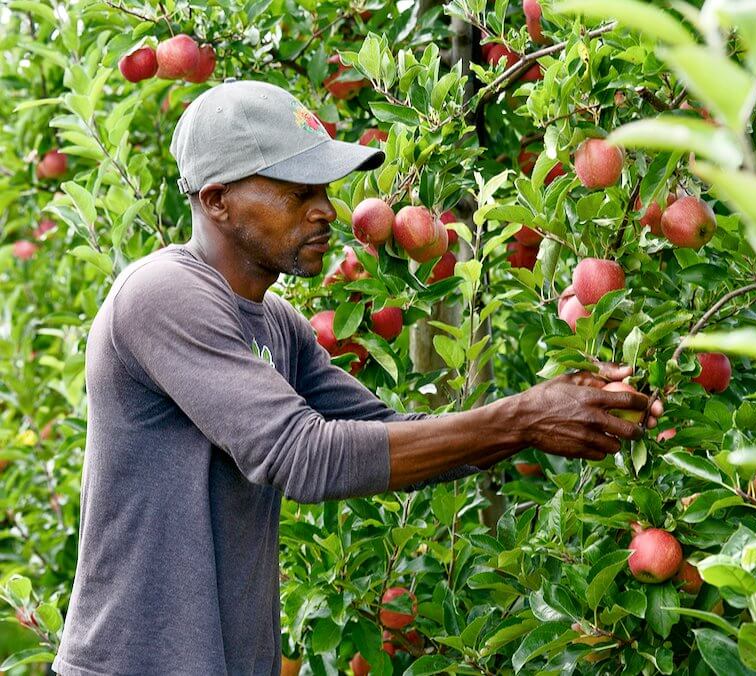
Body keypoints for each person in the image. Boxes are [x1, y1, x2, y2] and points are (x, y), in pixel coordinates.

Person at [52, 79, 662, 676]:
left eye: (324, 189)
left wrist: (553, 412)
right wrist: (522, 417)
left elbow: (390, 435)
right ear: (216, 200)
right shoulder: (162, 296)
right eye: (297, 192)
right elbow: (302, 457)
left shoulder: (278, 323)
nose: (326, 210)